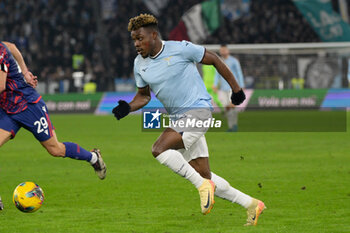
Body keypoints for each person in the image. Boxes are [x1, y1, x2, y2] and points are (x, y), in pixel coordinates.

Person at [112, 14, 265, 226]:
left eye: (140, 38)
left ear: (154, 35)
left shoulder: (180, 48)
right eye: (134, 40)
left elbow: (213, 59)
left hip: (198, 111)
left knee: (159, 149)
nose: (137, 44)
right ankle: (251, 204)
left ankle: (202, 187)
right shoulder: (139, 64)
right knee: (203, 173)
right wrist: (128, 107)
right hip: (179, 119)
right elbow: (144, 95)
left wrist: (236, 89)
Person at [0, 41, 107, 209]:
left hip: (28, 105)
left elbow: (0, 85)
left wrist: (25, 71)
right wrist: (25, 71)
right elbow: (12, 47)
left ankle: (93, 157)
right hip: (7, 110)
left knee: (55, 149)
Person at [213, 45, 245, 132]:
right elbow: (217, 74)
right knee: (226, 106)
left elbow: (239, 73)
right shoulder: (219, 61)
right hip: (223, 88)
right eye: (221, 50)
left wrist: (241, 85)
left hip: (232, 87)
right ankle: (232, 125)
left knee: (232, 106)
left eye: (224, 50)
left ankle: (233, 126)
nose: (222, 52)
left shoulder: (234, 61)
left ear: (227, 51)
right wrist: (215, 85)